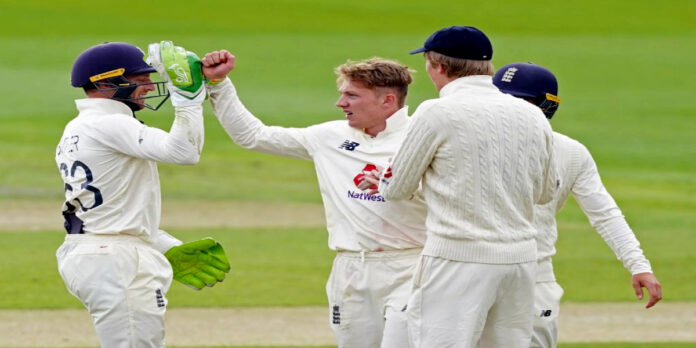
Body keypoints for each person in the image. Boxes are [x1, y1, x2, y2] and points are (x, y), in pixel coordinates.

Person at [199, 51, 427, 347]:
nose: (340, 103)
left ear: (387, 101)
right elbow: (253, 136)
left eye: (352, 96)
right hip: (350, 270)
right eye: (342, 93)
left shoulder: (422, 137)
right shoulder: (329, 136)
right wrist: (218, 83)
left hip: (410, 266)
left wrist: (397, 182)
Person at [363, 26, 558, 347]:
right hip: (521, 264)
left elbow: (395, 188)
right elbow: (545, 193)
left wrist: (394, 176)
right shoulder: (532, 114)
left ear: (437, 65)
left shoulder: (437, 111)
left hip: (458, 259)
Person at [55, 41, 231, 348]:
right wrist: (188, 97)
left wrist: (162, 244)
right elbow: (184, 151)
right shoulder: (109, 123)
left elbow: (109, 208)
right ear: (106, 82)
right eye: (140, 80)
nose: (150, 87)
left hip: (97, 251)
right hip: (115, 260)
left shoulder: (78, 127)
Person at [492, 62, 662, 348]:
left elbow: (605, 214)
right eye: (501, 98)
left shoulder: (570, 152)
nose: (506, 108)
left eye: (518, 100)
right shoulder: (468, 142)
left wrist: (638, 264)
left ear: (546, 107)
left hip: (535, 274)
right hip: (470, 268)